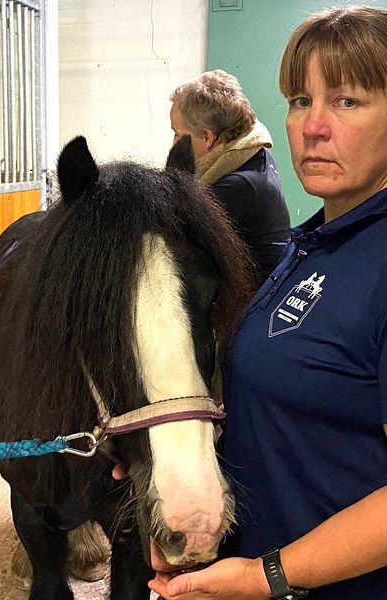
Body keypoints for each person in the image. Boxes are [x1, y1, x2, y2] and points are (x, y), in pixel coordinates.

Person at [148, 5, 387, 599]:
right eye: (300, 101)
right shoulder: (317, 241)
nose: (313, 126)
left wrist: (264, 577)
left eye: (348, 101)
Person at [170, 69, 290, 284]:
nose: (174, 144)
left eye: (178, 134)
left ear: (207, 137)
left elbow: (173, 246)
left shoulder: (234, 188)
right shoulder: (253, 155)